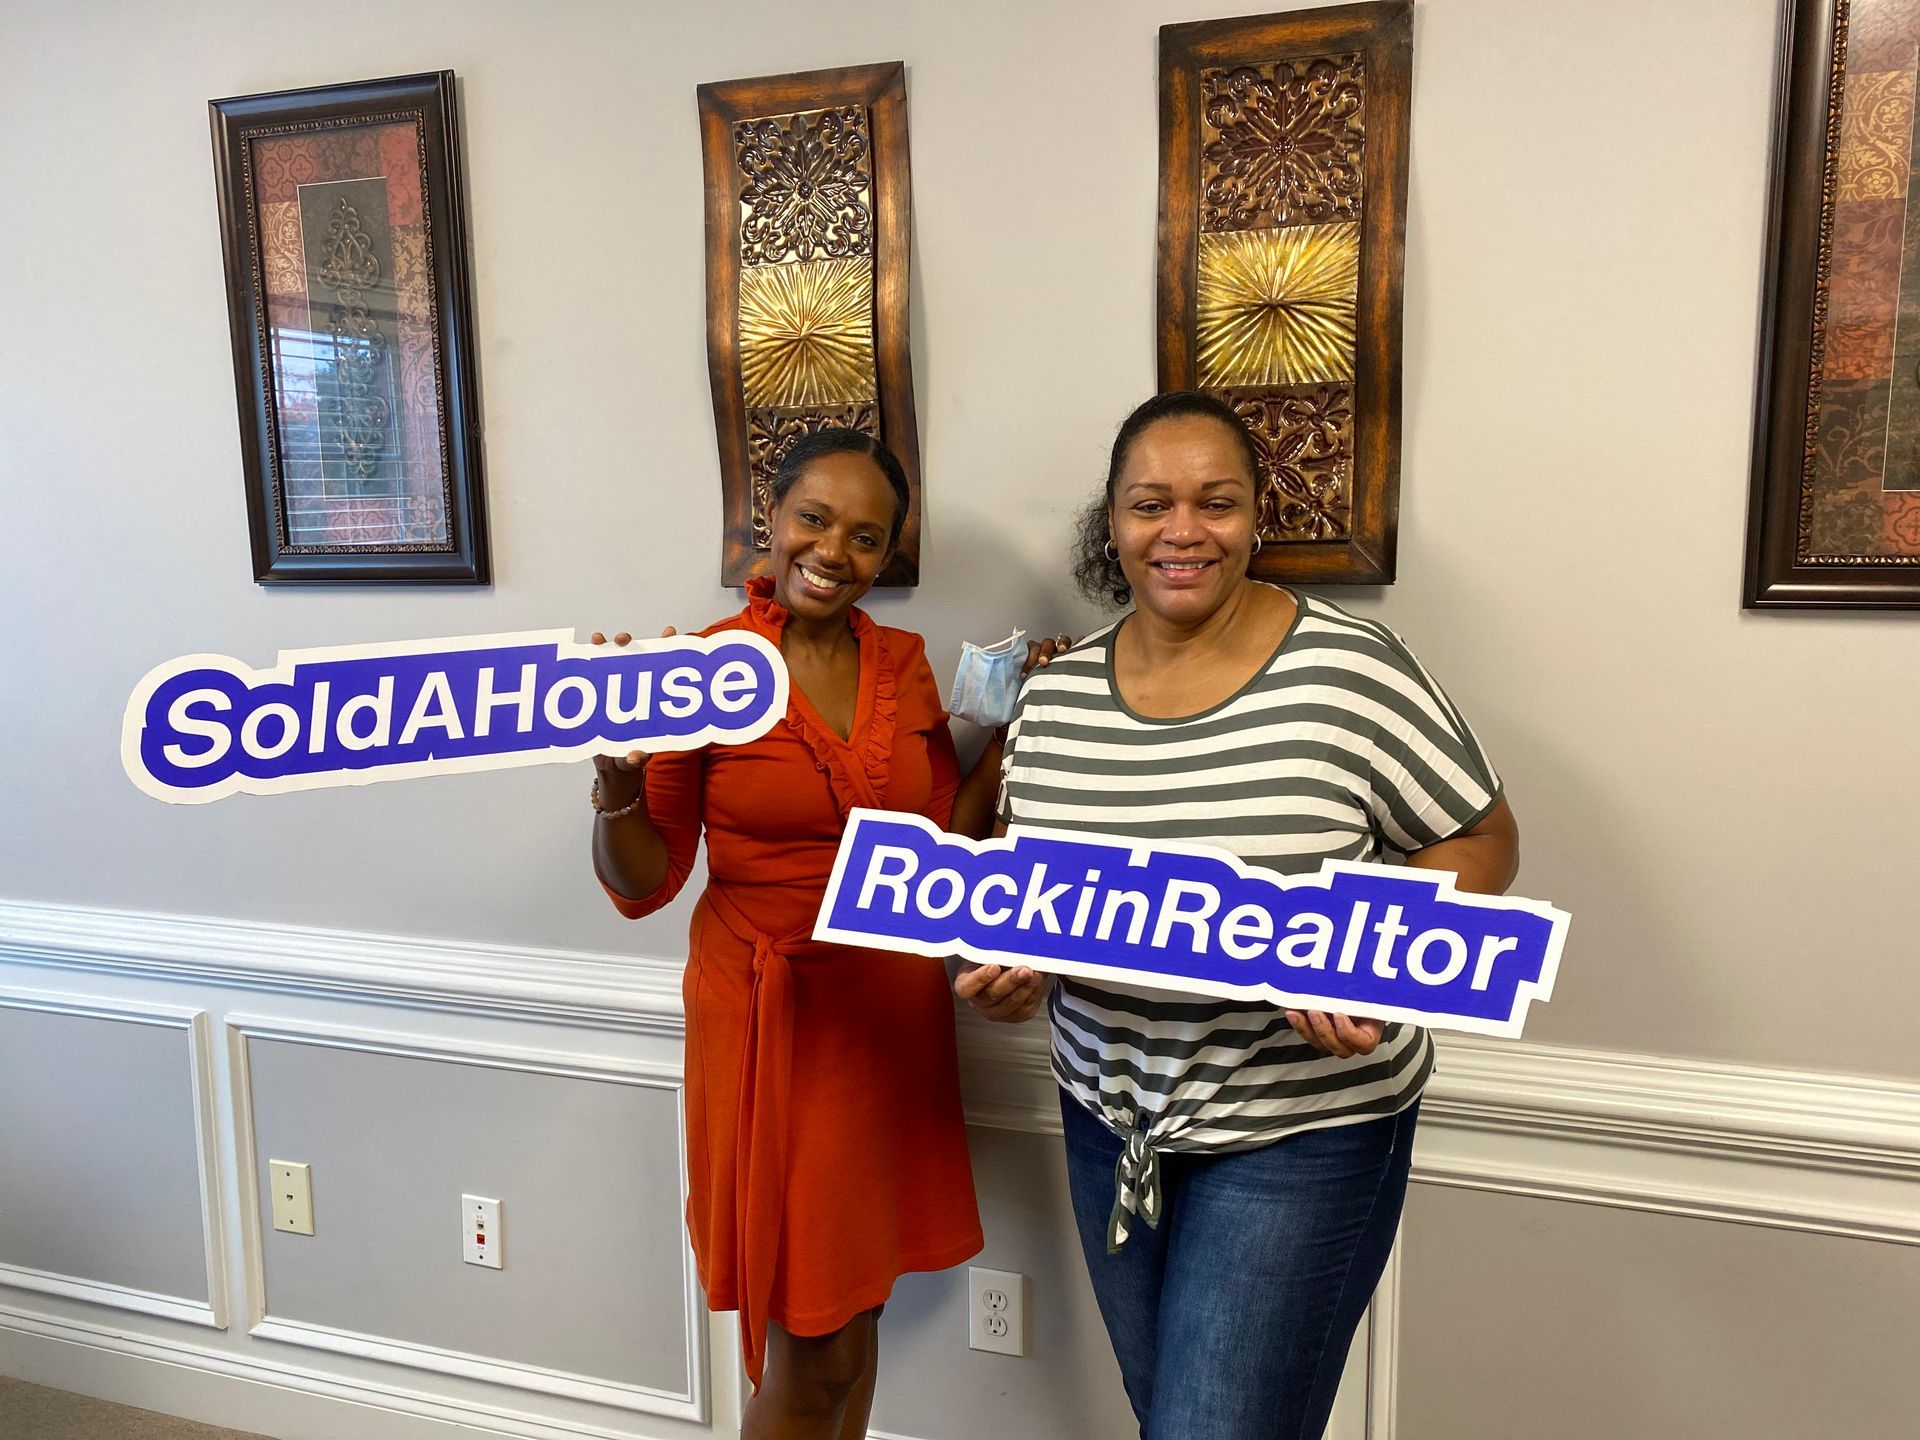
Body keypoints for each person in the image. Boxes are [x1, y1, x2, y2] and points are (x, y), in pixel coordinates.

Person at [957, 391, 1520, 1440]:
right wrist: (1013, 974)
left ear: (1259, 516)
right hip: (1111, 1120)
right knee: (1168, 1413)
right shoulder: (1057, 696)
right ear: (1112, 525)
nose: (1181, 531)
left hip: (1298, 1129)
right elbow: (1031, 898)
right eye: (1149, 504)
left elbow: (1481, 839)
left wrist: (1373, 959)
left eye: (1215, 503)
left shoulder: (1351, 671)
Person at [589, 429, 1060, 1440]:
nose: (833, 552)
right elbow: (647, 882)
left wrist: (1018, 731)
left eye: (865, 537)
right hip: (771, 1021)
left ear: (888, 556)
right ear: (771, 518)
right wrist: (616, 796)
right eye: (814, 519)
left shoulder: (905, 664)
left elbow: (941, 847)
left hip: (888, 1018)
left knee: (860, 1312)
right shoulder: (703, 671)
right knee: (817, 1344)